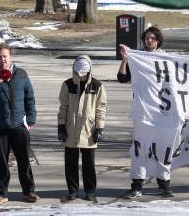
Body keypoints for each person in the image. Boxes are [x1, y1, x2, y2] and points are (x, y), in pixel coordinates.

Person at [0, 43, 38, 206]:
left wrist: (31, 118)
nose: (2, 59)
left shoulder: (21, 74)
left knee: (24, 160)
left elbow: (29, 97)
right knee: (2, 162)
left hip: (19, 125)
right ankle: (1, 193)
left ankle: (28, 191)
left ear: (10, 57)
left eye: (5, 56)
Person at [117, 25, 172, 198]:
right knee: (140, 148)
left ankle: (164, 185)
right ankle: (137, 185)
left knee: (163, 148)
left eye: (152, 38)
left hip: (162, 113)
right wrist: (125, 60)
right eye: (147, 38)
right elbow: (122, 78)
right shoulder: (137, 58)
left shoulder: (167, 59)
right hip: (142, 112)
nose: (149, 41)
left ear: (158, 41)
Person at [57, 55, 107, 203]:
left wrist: (99, 128)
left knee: (89, 164)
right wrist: (61, 126)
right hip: (71, 129)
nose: (82, 75)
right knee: (70, 163)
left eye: (84, 72)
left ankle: (90, 191)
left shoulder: (97, 86)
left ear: (90, 70)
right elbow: (63, 107)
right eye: (79, 72)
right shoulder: (67, 85)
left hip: (89, 129)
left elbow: (101, 108)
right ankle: (72, 190)